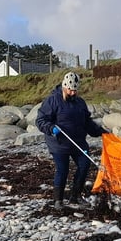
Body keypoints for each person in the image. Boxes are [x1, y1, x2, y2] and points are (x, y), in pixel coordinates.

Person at [36, 71, 107, 209]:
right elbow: (40, 120)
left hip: (78, 142)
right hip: (59, 143)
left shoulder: (80, 103)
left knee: (85, 165)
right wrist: (51, 128)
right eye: (70, 90)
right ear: (64, 87)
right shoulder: (53, 100)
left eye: (75, 90)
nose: (73, 93)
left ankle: (75, 197)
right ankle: (58, 200)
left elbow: (87, 123)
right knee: (63, 169)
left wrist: (101, 132)